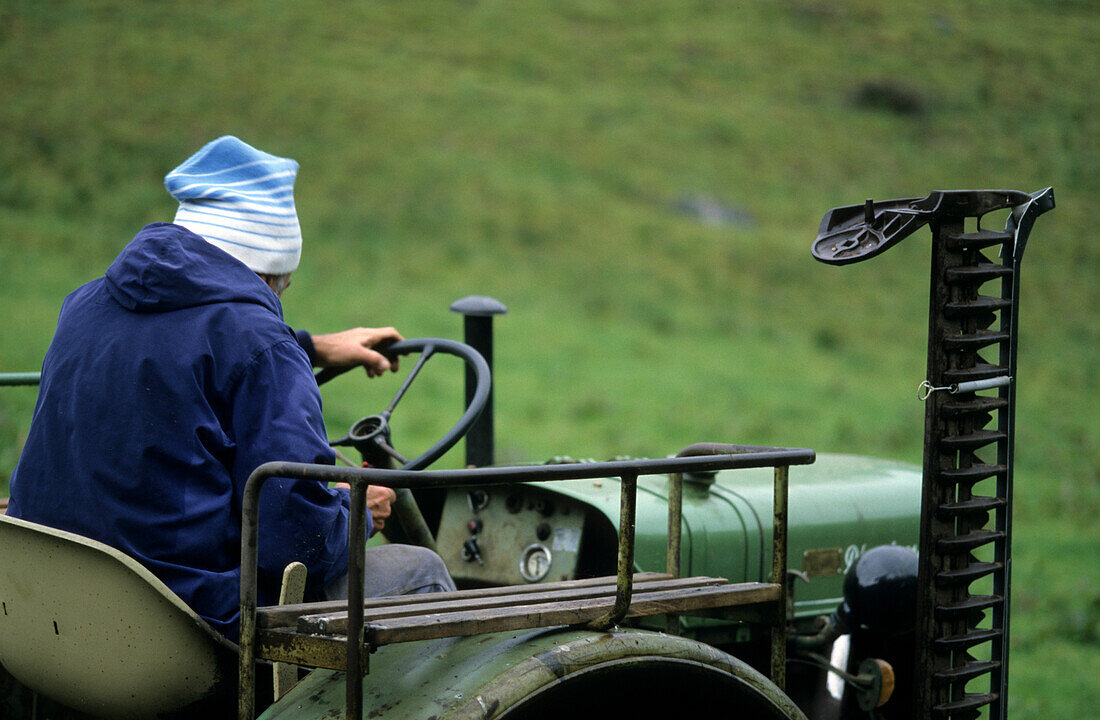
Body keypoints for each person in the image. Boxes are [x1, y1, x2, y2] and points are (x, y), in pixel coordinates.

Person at [7, 136, 454, 640]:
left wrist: (311, 346)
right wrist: (360, 511)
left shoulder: (85, 304)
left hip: (44, 606)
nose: (279, 299)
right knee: (422, 571)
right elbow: (295, 542)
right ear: (267, 270)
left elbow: (181, 350)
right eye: (282, 285)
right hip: (177, 621)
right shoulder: (261, 346)